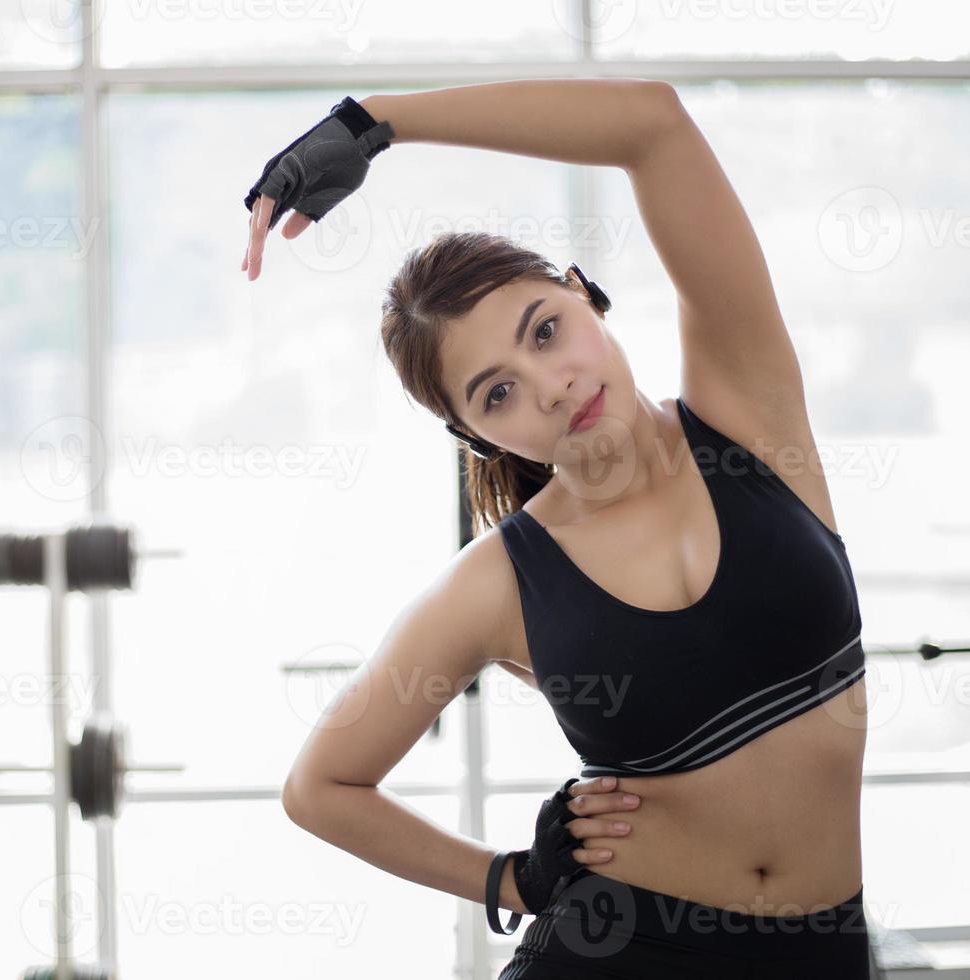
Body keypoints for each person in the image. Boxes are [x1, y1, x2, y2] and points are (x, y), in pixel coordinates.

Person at [249, 79, 872, 979]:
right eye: (496, 392)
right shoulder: (499, 582)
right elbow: (320, 789)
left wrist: (376, 124)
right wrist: (509, 878)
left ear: (584, 294)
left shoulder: (750, 414)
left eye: (545, 331)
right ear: (475, 434)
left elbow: (653, 124)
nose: (549, 386)